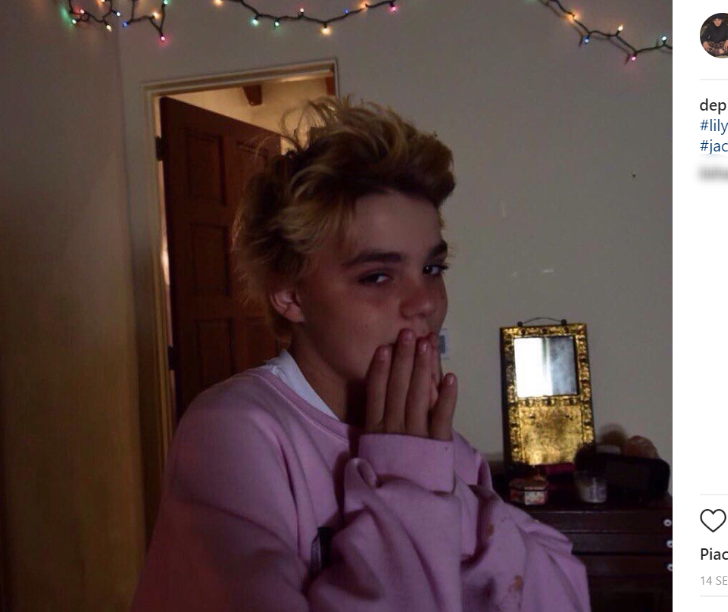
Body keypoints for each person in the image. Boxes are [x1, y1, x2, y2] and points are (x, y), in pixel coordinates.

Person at [130, 96, 591, 612]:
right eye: (377, 276)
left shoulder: (439, 443)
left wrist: (440, 488)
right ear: (290, 294)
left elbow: (563, 593)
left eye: (432, 269)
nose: (425, 303)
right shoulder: (235, 431)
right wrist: (412, 484)